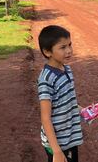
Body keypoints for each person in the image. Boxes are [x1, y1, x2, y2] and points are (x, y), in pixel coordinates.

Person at [37, 25, 83, 162]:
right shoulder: (46, 79)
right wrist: (56, 151)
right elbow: (45, 118)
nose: (69, 50)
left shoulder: (66, 69)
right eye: (62, 47)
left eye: (69, 45)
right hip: (57, 142)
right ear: (47, 52)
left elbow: (68, 101)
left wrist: (85, 111)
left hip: (69, 137)